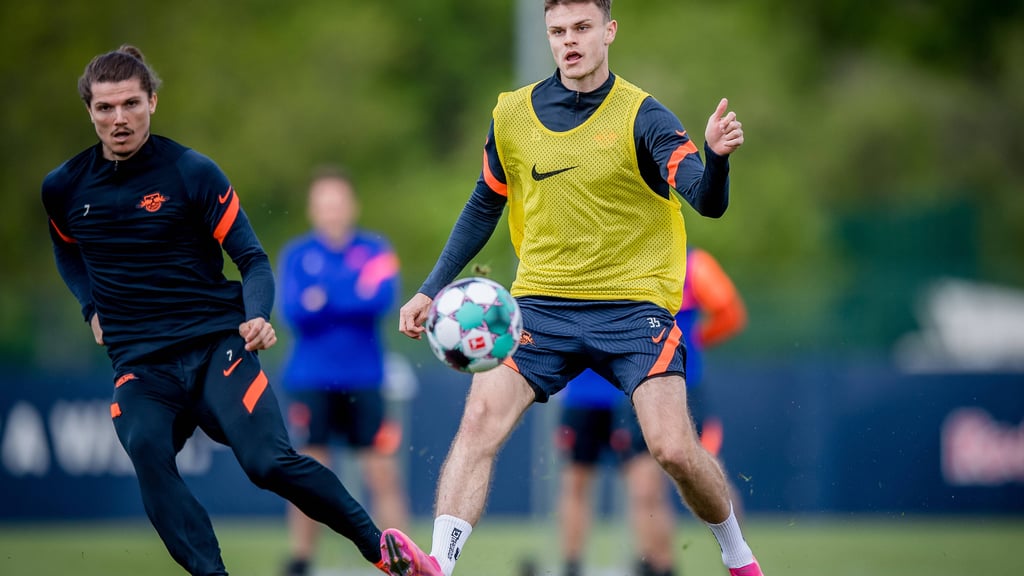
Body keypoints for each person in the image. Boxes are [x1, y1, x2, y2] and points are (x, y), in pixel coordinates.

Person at [381, 1, 763, 575]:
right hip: (541, 306)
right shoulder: (511, 115)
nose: (570, 41)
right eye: (558, 31)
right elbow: (484, 205)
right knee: (480, 419)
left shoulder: (644, 116)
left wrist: (717, 157)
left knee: (673, 450)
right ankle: (438, 563)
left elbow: (707, 201)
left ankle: (740, 558)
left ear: (609, 31)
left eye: (582, 28)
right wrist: (431, 289)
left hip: (634, 309)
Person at [41, 45, 389, 576]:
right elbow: (65, 245)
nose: (119, 119)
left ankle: (384, 552)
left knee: (268, 463)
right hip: (141, 364)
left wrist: (257, 314)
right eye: (106, 108)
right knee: (148, 455)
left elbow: (253, 260)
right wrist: (90, 304)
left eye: (131, 104)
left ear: (153, 102)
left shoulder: (190, 172)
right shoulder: (64, 187)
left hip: (215, 348)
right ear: (88, 111)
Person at [556, 246, 748, 576]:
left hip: (686, 390)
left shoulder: (693, 265)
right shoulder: (617, 261)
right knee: (645, 490)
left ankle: (739, 555)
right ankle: (661, 568)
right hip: (638, 391)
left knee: (705, 474)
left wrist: (692, 342)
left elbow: (730, 313)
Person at [277, 166, 409, 576]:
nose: (332, 211)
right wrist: (348, 293)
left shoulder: (375, 248)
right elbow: (294, 311)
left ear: (352, 206)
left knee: (381, 473)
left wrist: (326, 298)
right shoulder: (297, 254)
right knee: (308, 476)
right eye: (323, 204)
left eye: (338, 203)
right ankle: (301, 561)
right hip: (311, 380)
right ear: (312, 210)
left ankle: (404, 561)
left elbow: (382, 300)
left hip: (365, 379)